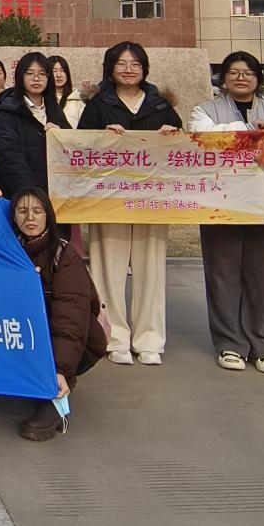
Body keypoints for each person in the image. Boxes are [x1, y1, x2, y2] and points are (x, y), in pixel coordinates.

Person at [189, 52, 264, 374]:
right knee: (222, 275)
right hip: (221, 206)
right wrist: (249, 131)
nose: (241, 78)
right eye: (234, 72)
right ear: (223, 78)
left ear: (258, 78)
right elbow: (205, 140)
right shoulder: (204, 111)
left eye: (248, 73)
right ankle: (230, 344)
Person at [77, 41, 182, 367]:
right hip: (109, 200)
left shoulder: (161, 105)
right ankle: (114, 337)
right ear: (110, 68)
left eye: (135, 63)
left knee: (151, 270)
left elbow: (184, 151)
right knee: (108, 270)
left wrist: (174, 134)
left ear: (144, 68)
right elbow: (79, 148)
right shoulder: (97, 105)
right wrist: (101, 137)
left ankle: (149, 338)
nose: (128, 69)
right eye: (121, 63)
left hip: (153, 200)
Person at [9, 188, 107, 441]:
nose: (30, 217)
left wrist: (61, 370)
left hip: (69, 339)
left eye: (37, 211)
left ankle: (57, 397)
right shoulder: (7, 251)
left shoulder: (64, 256)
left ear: (48, 216)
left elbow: (70, 321)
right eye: (22, 211)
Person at [0, 51, 71, 199]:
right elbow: (8, 159)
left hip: (58, 197)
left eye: (42, 74)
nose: (36, 78)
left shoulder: (54, 109)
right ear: (20, 77)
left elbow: (73, 150)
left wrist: (61, 135)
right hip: (25, 198)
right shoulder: (8, 113)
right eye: (30, 73)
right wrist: (33, 194)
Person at [47, 55, 86, 128]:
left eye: (62, 70)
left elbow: (85, 129)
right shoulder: (42, 100)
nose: (59, 75)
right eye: (54, 71)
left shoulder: (78, 99)